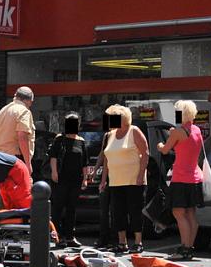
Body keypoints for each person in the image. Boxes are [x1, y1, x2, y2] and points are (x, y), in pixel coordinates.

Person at [157, 100, 204, 260]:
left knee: (179, 213)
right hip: (195, 177)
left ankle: (184, 248)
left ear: (180, 113)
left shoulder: (178, 131)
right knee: (191, 214)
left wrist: (160, 144)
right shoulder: (197, 130)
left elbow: (164, 150)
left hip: (181, 178)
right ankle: (189, 247)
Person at [99, 105, 148, 255]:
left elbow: (145, 154)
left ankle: (138, 242)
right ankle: (122, 242)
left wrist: (141, 175)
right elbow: (106, 158)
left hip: (134, 180)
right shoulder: (110, 135)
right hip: (115, 180)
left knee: (135, 211)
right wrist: (103, 180)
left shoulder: (134, 131)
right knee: (117, 212)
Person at [48, 113, 90, 247]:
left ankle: (70, 237)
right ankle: (57, 236)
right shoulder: (60, 139)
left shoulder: (81, 141)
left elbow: (85, 162)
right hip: (61, 178)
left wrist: (85, 179)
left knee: (72, 208)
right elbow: (53, 156)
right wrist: (54, 172)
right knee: (58, 207)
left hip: (75, 179)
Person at [0, 86, 36, 175]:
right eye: (31, 103)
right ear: (29, 101)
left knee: (6, 188)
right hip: (16, 160)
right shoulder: (24, 111)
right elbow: (22, 137)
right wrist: (28, 164)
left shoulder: (2, 111)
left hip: (0, 158)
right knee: (21, 188)